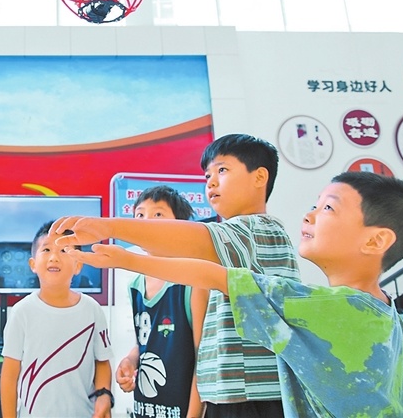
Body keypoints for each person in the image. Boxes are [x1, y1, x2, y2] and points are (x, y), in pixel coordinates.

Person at [68, 171, 403, 417]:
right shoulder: (386, 313)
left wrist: (121, 250)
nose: (309, 215)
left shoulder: (325, 305)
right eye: (315, 204)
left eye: (328, 208)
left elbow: (216, 275)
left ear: (376, 240)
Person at [52, 133, 301, 418]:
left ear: (259, 177)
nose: (211, 182)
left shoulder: (261, 230)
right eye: (207, 175)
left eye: (222, 170)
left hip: (256, 395)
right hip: (226, 394)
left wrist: (110, 229)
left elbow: (200, 243)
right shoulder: (228, 247)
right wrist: (126, 259)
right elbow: (199, 270)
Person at [0, 221, 114, 418]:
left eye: (64, 250)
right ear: (33, 264)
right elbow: (9, 375)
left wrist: (104, 394)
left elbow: (102, 362)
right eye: (46, 250)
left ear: (78, 264)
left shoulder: (92, 310)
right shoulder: (22, 312)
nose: (54, 257)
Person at [119, 186, 208, 418]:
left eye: (158, 214)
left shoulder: (192, 281)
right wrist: (130, 360)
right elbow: (146, 341)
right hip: (146, 409)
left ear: (181, 225)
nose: (146, 222)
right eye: (140, 215)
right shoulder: (135, 284)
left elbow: (203, 358)